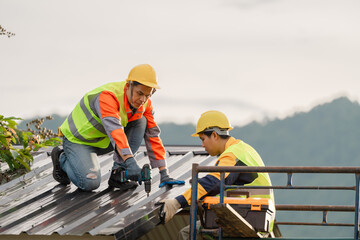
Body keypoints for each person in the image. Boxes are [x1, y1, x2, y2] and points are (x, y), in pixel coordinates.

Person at [51, 64, 183, 191]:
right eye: (140, 93)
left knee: (142, 121)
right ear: (129, 85)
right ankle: (62, 157)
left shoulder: (145, 104)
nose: (143, 99)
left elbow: (153, 136)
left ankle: (118, 173)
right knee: (90, 183)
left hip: (105, 141)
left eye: (148, 95)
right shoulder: (108, 97)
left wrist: (164, 172)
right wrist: (131, 163)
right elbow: (116, 132)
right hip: (78, 141)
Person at [158, 110, 275, 239]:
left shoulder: (232, 154)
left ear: (214, 135)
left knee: (186, 234)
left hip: (249, 218)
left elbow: (214, 181)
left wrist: (177, 202)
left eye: (203, 139)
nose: (202, 145)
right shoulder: (243, 149)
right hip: (257, 216)